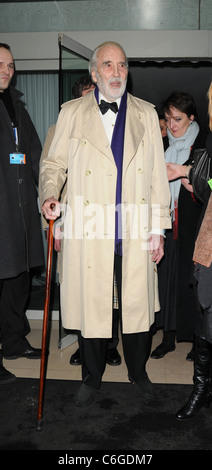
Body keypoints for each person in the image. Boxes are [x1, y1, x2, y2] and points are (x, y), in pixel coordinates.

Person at [39, 41, 171, 407]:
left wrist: (159, 229)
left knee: (137, 307)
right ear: (95, 73)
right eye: (108, 65)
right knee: (93, 305)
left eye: (122, 65)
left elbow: (158, 177)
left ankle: (138, 371)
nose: (116, 72)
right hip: (90, 227)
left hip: (134, 228)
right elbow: (53, 165)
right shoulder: (72, 112)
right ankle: (91, 377)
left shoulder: (146, 113)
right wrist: (49, 195)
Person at [40, 75, 121, 367]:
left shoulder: (115, 130)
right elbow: (52, 179)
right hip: (75, 222)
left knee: (109, 289)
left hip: (108, 222)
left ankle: (110, 345)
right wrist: (57, 226)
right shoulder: (60, 128)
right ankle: (85, 347)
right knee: (81, 290)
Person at [166, 82, 212, 419]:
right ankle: (201, 390)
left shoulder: (200, 144)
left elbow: (207, 181)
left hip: (201, 233)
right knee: (205, 312)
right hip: (205, 240)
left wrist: (187, 171)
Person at [0, 43, 44, 384]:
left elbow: (33, 151)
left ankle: (13, 342)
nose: (6, 70)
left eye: (11, 65)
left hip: (21, 209)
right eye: (0, 64)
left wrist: (46, 189)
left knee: (18, 279)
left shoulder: (17, 105)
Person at [151, 91, 206, 361]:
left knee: (194, 284)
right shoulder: (163, 147)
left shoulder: (203, 145)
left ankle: (199, 341)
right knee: (168, 281)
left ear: (192, 118)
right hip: (167, 224)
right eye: (168, 119)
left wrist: (191, 176)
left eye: (178, 119)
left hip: (195, 226)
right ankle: (168, 336)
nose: (172, 125)